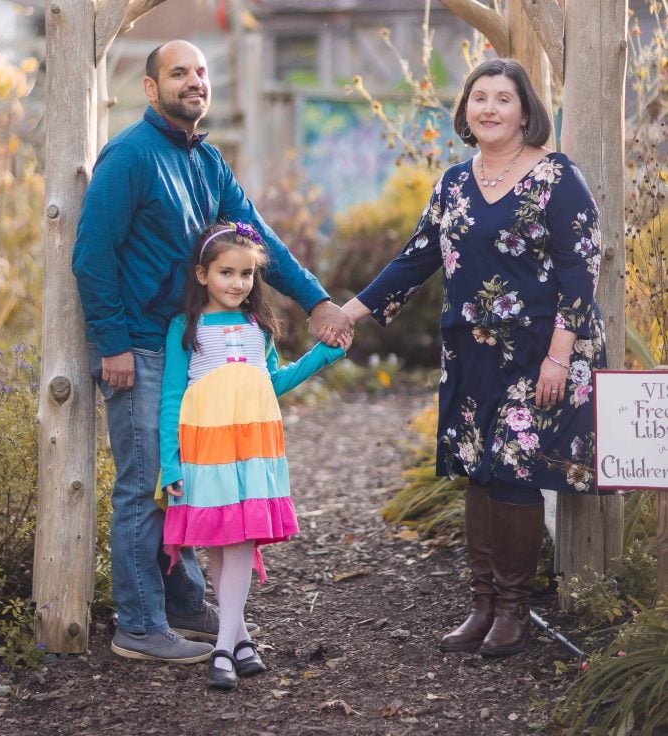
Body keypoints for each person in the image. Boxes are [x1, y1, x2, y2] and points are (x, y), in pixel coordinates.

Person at [72, 39, 352, 664]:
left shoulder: (207, 161)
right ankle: (138, 624)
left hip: (190, 349)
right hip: (141, 347)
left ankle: (184, 602)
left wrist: (316, 301)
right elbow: (91, 256)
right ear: (151, 89)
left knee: (193, 478)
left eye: (200, 72)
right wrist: (112, 344)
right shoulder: (130, 157)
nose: (194, 81)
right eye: (179, 73)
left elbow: (258, 238)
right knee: (147, 485)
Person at [342, 57, 605, 658]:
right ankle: (482, 603)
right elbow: (413, 261)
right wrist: (348, 313)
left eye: (502, 99)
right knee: (479, 471)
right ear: (464, 110)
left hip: (541, 354)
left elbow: (580, 269)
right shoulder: (454, 185)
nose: (488, 108)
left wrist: (560, 357)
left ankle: (514, 610)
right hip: (471, 353)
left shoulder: (557, 178)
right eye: (478, 97)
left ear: (524, 111)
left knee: (514, 471)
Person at [160, 222, 348, 690]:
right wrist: (170, 460)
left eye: (246, 274)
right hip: (208, 447)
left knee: (240, 538)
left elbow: (273, 382)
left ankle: (225, 646)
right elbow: (170, 398)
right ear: (202, 274)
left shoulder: (255, 326)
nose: (238, 283)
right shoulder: (186, 328)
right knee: (224, 540)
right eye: (227, 272)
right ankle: (237, 640)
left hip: (254, 446)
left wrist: (321, 357)